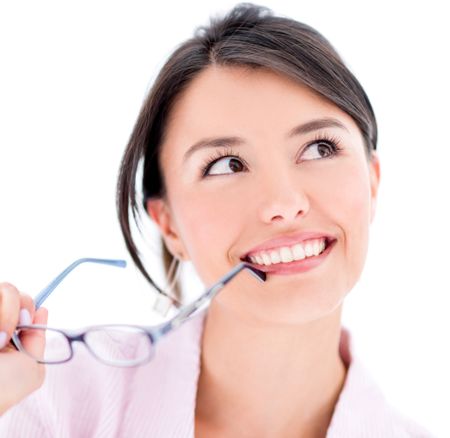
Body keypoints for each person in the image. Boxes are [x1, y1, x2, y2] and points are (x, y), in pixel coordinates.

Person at [0, 3, 435, 437]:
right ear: (168, 225)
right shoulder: (40, 401)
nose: (283, 203)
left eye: (319, 148)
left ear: (372, 182)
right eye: (226, 164)